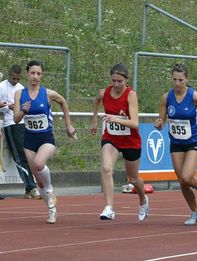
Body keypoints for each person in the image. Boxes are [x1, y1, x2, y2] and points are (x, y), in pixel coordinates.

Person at [13, 60, 76, 224]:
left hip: (46, 138)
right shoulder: (20, 94)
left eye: (38, 74)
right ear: (27, 74)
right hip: (29, 139)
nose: (35, 76)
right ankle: (51, 209)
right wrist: (23, 110)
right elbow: (16, 118)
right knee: (38, 180)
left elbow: (63, 102)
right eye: (32, 73)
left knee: (39, 164)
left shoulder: (48, 93)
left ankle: (50, 191)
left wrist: (68, 125)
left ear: (41, 75)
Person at [154, 63, 197, 225]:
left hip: (194, 140)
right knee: (182, 180)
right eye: (174, 79)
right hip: (176, 142)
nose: (177, 83)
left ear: (187, 80)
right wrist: (159, 124)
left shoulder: (195, 97)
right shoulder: (167, 97)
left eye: (181, 80)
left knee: (187, 176)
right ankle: (195, 212)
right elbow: (161, 120)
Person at [91, 64, 149, 221]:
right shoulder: (104, 92)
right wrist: (95, 120)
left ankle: (143, 200)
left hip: (130, 141)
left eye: (120, 81)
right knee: (106, 168)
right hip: (111, 138)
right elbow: (96, 101)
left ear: (126, 80)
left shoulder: (131, 95)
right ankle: (109, 208)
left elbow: (135, 123)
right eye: (113, 81)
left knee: (133, 179)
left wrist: (115, 118)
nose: (116, 85)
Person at [0, 64, 41, 199]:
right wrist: (6, 107)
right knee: (19, 156)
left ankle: (32, 186)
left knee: (29, 155)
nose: (16, 81)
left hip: (24, 124)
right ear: (9, 74)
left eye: (18, 79)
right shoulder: (1, 86)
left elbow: (25, 107)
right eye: (13, 78)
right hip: (10, 124)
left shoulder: (21, 88)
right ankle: (31, 187)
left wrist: (20, 108)